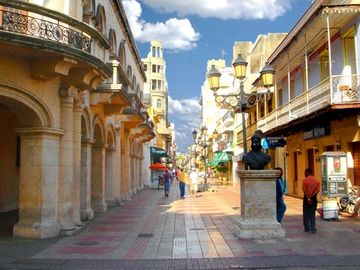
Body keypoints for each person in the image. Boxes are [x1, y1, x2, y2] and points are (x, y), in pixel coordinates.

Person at [302, 168, 320, 233]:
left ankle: (306, 228)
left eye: (305, 173)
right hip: (314, 199)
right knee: (312, 214)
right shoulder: (317, 181)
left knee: (306, 213)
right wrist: (312, 196)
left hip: (306, 199)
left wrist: (308, 197)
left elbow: (304, 189)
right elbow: (317, 190)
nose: (304, 174)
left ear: (308, 172)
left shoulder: (304, 180)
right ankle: (312, 228)